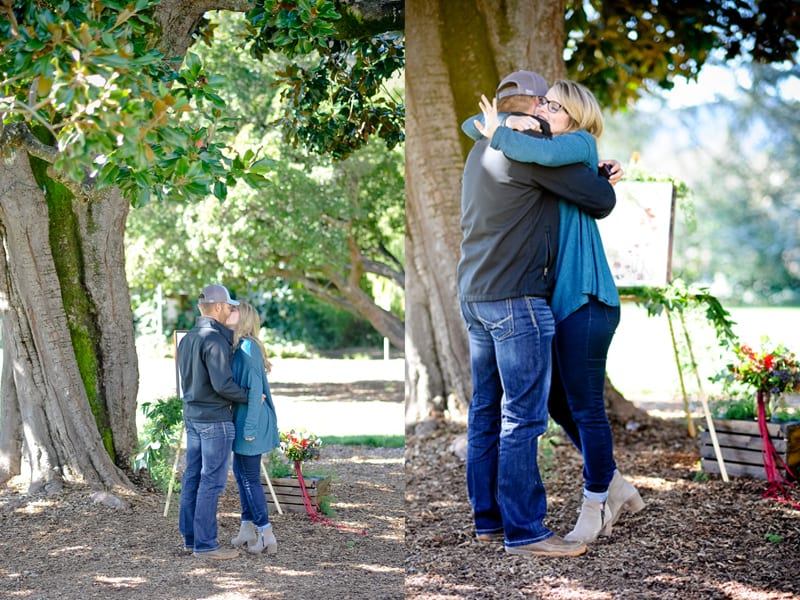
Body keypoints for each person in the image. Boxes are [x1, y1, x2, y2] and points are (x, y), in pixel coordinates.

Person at [465, 79, 645, 543]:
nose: (540, 112)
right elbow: (597, 194)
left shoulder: (550, 149)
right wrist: (505, 126)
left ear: (570, 116)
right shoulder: (529, 149)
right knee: (540, 407)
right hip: (531, 298)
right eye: (536, 104)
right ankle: (606, 488)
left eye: (550, 105)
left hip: (565, 296)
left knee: (557, 407)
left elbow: (600, 199)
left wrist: (500, 128)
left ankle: (591, 501)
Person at [177, 284, 248, 560]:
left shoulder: (189, 339)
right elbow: (223, 385)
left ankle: (190, 540)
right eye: (230, 307)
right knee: (211, 482)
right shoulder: (214, 340)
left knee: (192, 477)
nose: (231, 311)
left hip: (193, 417)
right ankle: (206, 545)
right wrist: (251, 397)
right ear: (217, 307)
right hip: (215, 419)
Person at [225, 302, 280, 555]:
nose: (228, 312)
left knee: (249, 478)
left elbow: (256, 391)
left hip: (252, 420)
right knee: (241, 473)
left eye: (233, 311)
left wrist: (249, 429)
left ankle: (266, 533)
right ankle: (247, 527)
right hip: (245, 417)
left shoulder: (248, 348)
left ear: (244, 318)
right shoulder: (241, 346)